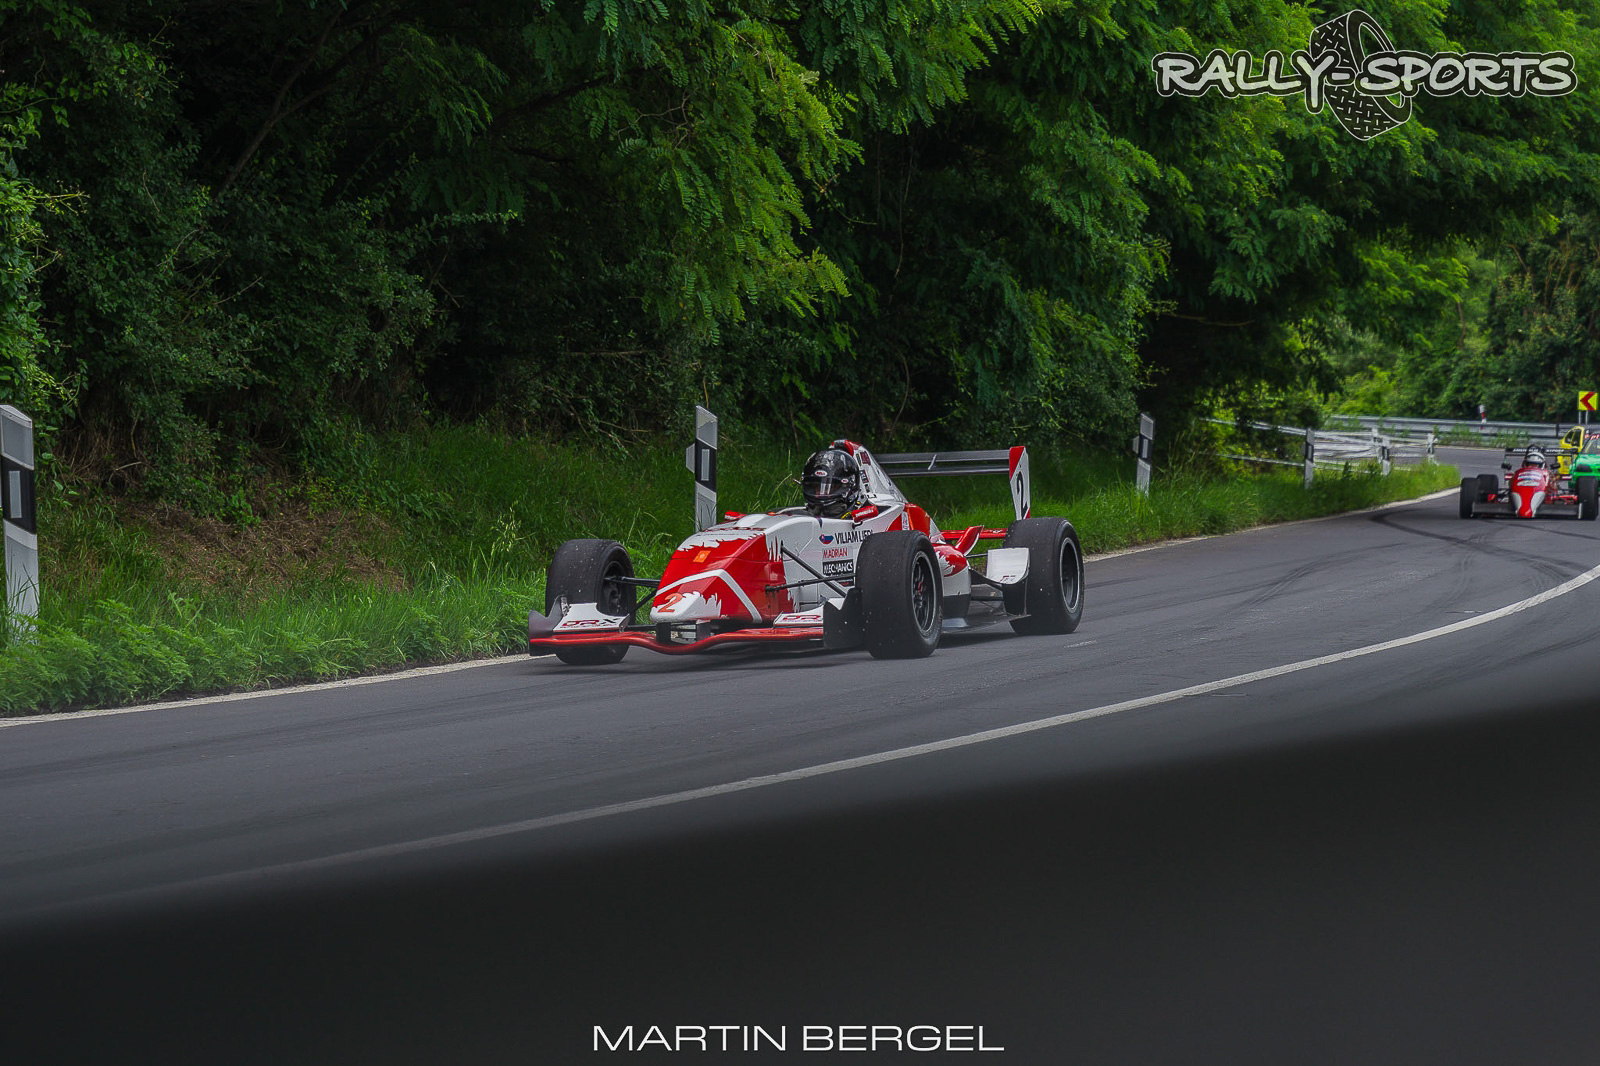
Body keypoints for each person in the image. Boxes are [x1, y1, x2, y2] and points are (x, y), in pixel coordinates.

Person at [800, 447, 864, 518]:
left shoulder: (864, 518)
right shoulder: (802, 517)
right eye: (816, 486)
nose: (819, 493)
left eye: (828, 488)